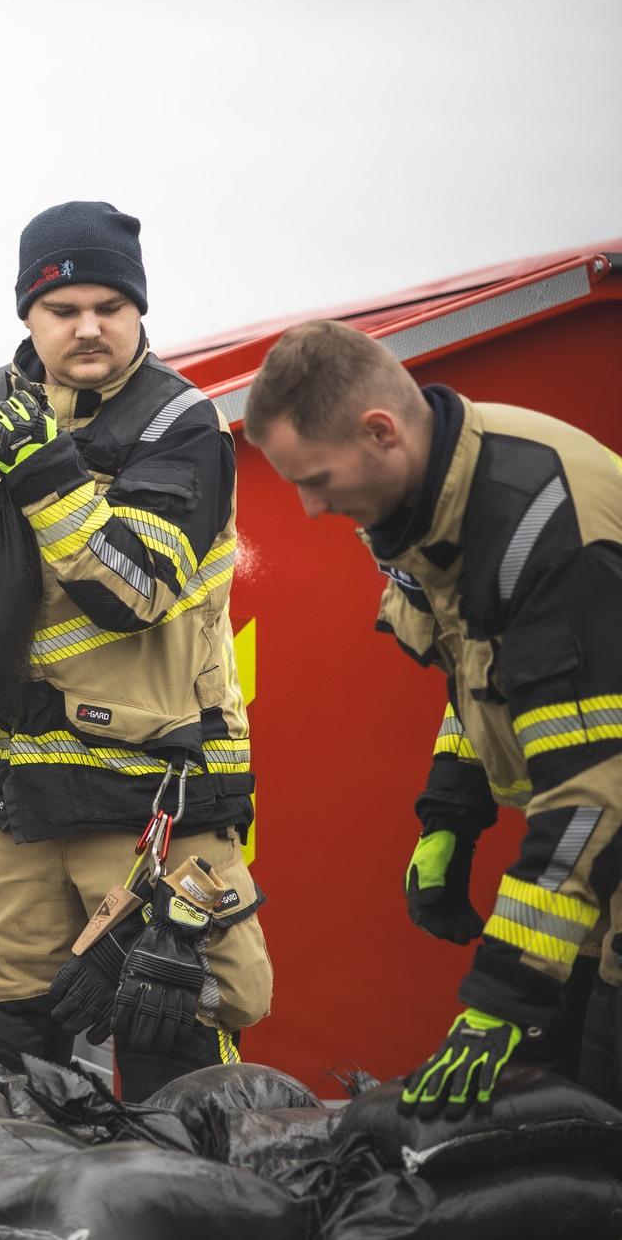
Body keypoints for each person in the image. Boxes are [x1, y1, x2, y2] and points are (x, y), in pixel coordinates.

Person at [245, 319, 622, 1119]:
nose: (310, 507)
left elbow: (594, 789)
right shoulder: (427, 511)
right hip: (596, 863)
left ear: (379, 431)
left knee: (598, 1121)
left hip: (601, 833)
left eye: (314, 477)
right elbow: (484, 684)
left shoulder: (547, 525)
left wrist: (503, 997)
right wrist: (453, 809)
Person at [0, 201, 271, 1102]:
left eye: (109, 306)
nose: (88, 327)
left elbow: (135, 592)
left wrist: (45, 473)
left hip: (152, 804)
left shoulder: (182, 424)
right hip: (18, 798)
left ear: (138, 312)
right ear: (27, 316)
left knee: (177, 1052)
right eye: (62, 307)